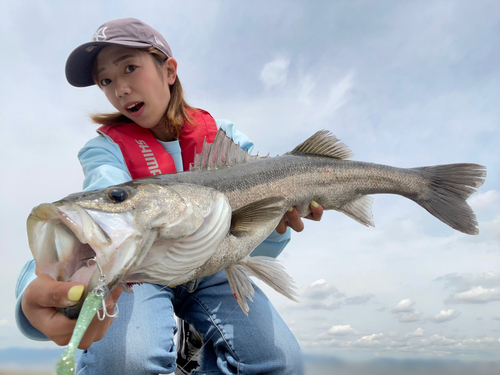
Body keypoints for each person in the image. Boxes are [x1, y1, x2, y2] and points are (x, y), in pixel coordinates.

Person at [15, 18, 323, 375]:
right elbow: (100, 218)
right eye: (106, 80)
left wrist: (278, 226)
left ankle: (193, 337)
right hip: (142, 270)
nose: (120, 89)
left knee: (281, 361)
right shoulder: (104, 150)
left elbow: (257, 249)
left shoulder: (227, 139)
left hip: (218, 264)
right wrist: (39, 285)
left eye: (130, 67)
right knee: (125, 363)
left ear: (169, 71)